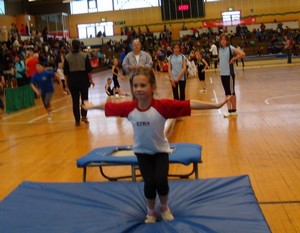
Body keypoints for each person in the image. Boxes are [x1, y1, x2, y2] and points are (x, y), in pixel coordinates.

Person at [82, 67, 231, 224]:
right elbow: (109, 107)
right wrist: (92, 107)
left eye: (143, 85)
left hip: (160, 152)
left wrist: (215, 106)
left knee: (161, 181)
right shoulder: (129, 108)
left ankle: (164, 207)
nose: (138, 89)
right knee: (149, 183)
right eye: (136, 86)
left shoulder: (161, 106)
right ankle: (151, 211)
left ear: (152, 87)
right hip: (141, 153)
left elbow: (189, 104)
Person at [63, 39, 94, 126]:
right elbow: (89, 70)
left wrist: (66, 83)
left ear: (72, 46)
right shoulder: (85, 56)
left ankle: (77, 120)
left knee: (75, 101)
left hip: (72, 80)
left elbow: (66, 73)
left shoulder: (67, 57)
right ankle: (84, 116)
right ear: (80, 46)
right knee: (85, 99)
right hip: (83, 79)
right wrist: (91, 80)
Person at [218, 33, 246, 117]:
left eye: (224, 39)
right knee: (227, 92)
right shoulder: (220, 49)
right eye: (221, 39)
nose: (223, 41)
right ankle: (229, 111)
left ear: (227, 41)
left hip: (229, 74)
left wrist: (234, 58)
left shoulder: (230, 48)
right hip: (222, 74)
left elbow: (242, 54)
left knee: (232, 92)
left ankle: (234, 110)